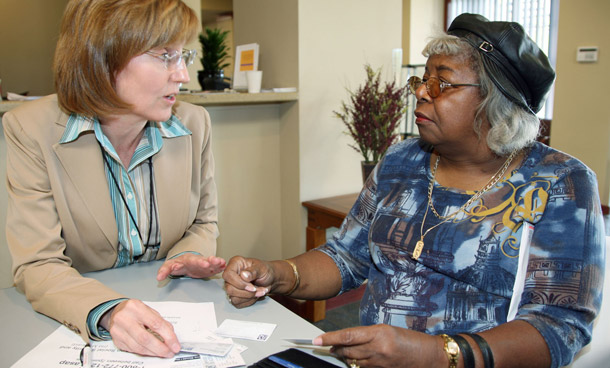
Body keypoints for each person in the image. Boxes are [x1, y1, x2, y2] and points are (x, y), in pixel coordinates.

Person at [222, 13, 606, 368]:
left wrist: (436, 354)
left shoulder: (561, 183)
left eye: (442, 83)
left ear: (496, 101)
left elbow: (559, 327)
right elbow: (347, 256)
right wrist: (277, 274)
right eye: (422, 80)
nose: (422, 92)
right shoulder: (402, 159)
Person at [3, 0, 226, 359]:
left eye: (184, 55)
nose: (183, 74)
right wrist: (110, 310)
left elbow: (203, 221)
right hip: (74, 324)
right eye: (165, 55)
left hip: (174, 308)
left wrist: (188, 257)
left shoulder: (194, 124)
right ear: (101, 59)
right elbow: (37, 264)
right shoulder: (30, 129)